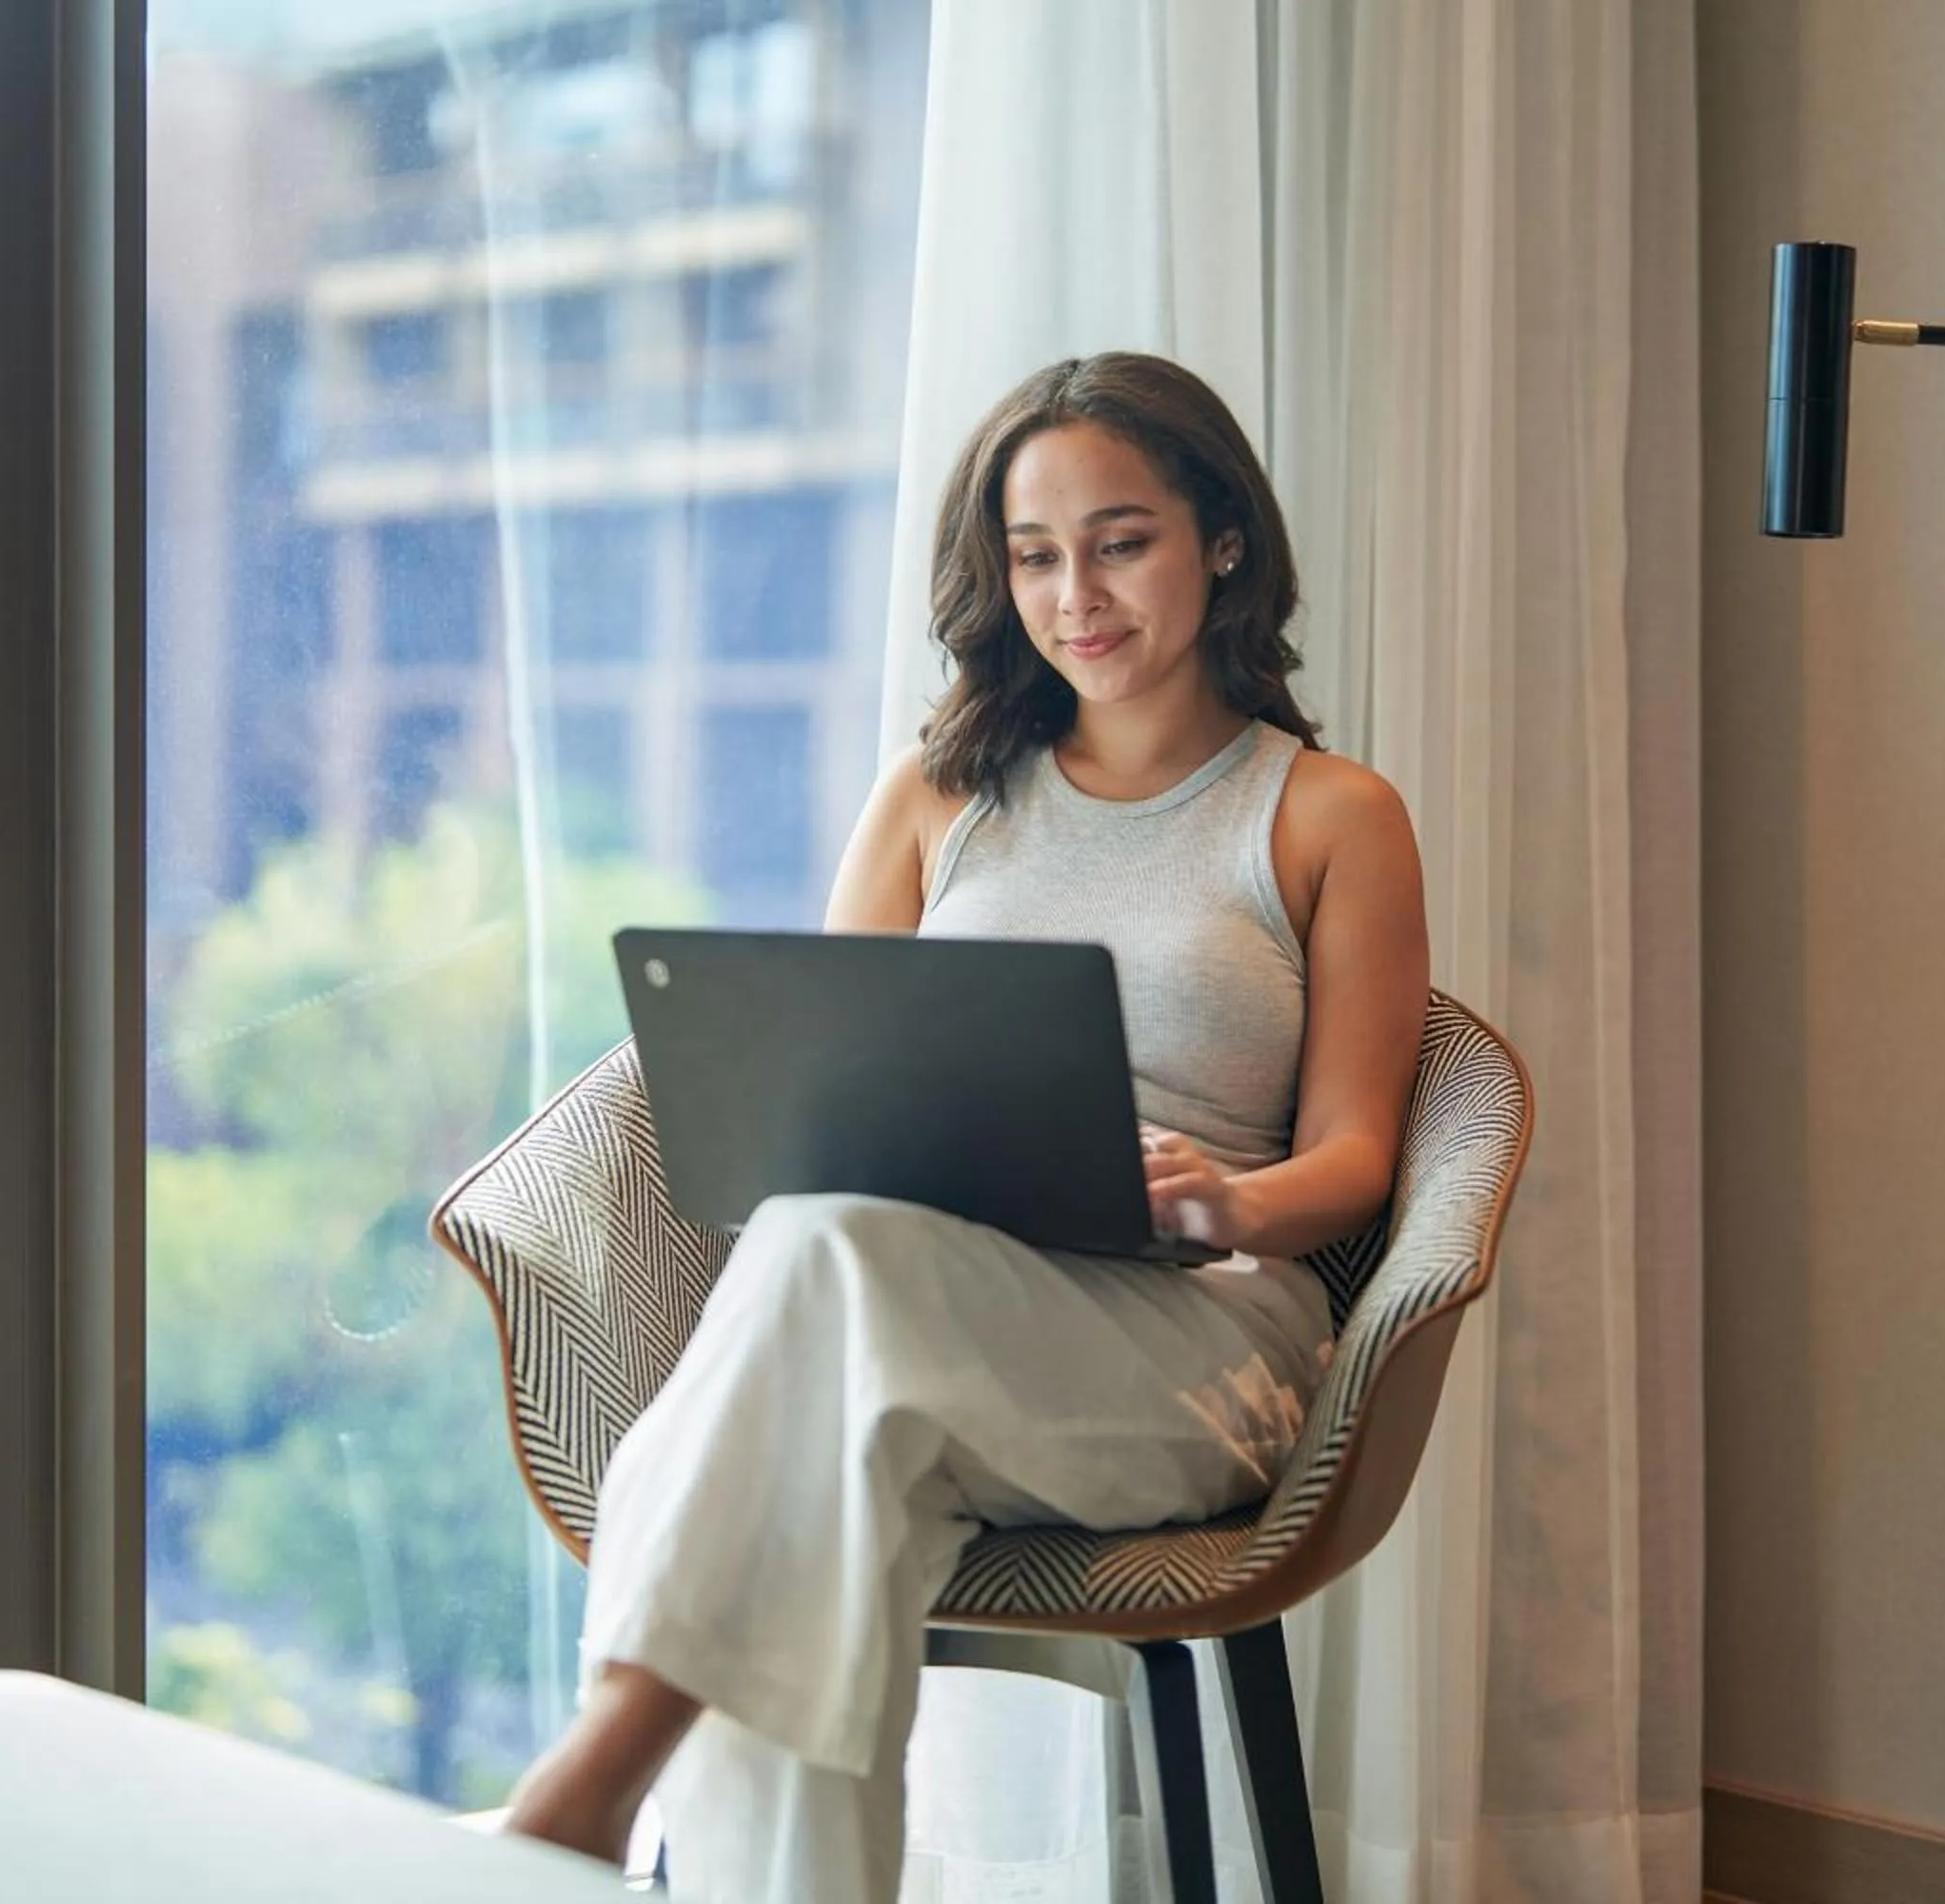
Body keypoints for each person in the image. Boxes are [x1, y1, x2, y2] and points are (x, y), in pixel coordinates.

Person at [502, 351, 1432, 1900]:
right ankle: (619, 1789)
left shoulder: (1331, 814)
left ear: (1220, 541)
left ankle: (600, 1768)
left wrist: (1225, 1201)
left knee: (829, 1294)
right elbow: (819, 1090)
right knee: (830, 1437)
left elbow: (1358, 1161)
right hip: (909, 1308)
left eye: (1121, 541)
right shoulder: (941, 796)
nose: (1078, 593)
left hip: (1198, 1336)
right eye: (1036, 554)